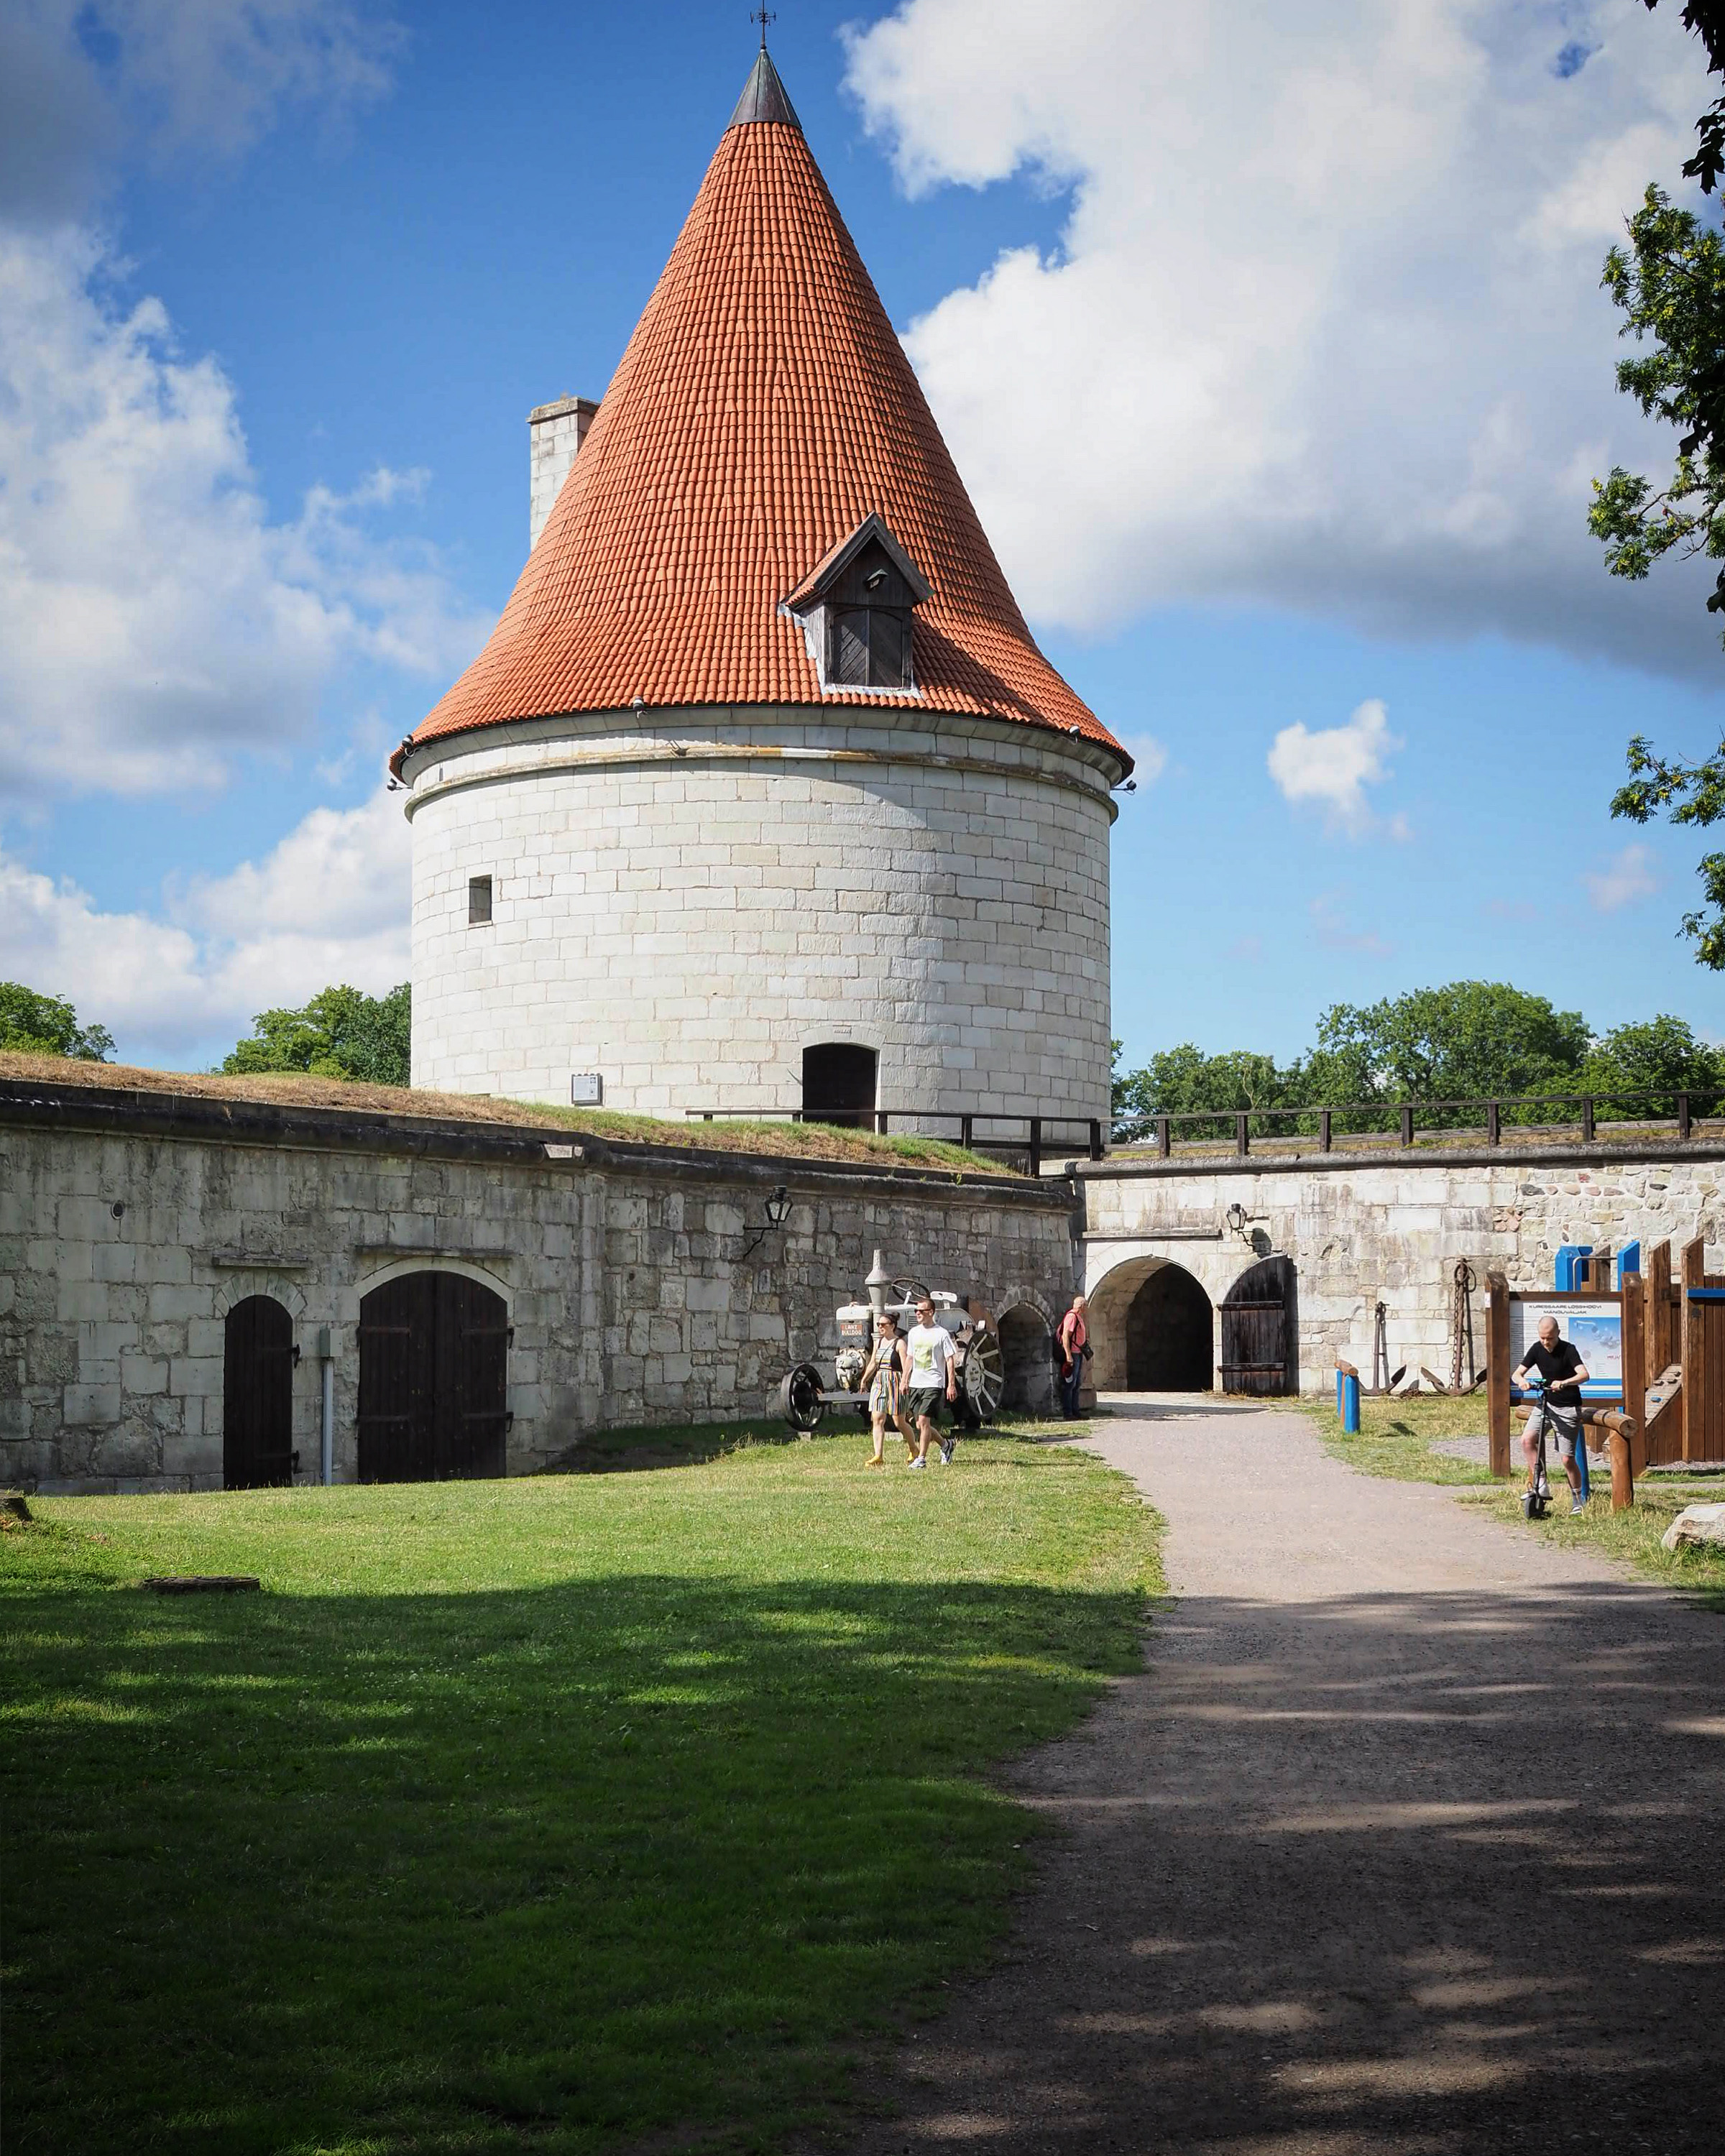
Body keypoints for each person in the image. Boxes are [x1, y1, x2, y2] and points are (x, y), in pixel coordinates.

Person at [1511, 1314, 1591, 1510]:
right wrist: (1522, 1382)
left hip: (1568, 1408)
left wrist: (1564, 1383)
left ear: (1558, 1334)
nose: (1546, 1342)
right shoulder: (1537, 1349)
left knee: (1567, 1459)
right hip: (1545, 1404)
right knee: (1527, 1440)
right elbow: (1517, 1373)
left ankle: (1577, 1500)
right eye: (1543, 1338)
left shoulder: (1569, 1350)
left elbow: (1584, 1375)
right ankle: (1541, 1483)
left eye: (1550, 1338)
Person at [903, 1295, 959, 1467]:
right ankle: (946, 1445)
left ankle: (921, 1459)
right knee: (920, 1425)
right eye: (916, 1311)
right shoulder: (913, 1333)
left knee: (925, 1420)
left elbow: (950, 1359)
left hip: (934, 1382)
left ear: (931, 1312)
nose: (918, 1313)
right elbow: (910, 1358)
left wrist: (951, 1385)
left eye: (921, 1311)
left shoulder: (941, 1334)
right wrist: (904, 1380)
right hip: (916, 1383)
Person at [859, 1312, 914, 1467]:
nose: (880, 1327)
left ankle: (913, 1448)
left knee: (899, 1422)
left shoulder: (900, 1344)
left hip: (895, 1380)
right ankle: (878, 1456)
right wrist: (864, 1379)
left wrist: (905, 1382)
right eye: (879, 1325)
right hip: (880, 1381)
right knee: (877, 1418)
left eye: (883, 1324)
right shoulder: (879, 1342)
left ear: (892, 1326)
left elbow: (906, 1365)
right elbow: (873, 1364)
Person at [1057, 1293, 1090, 1419]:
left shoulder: (1078, 1316)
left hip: (1079, 1353)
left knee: (1076, 1384)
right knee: (1070, 1384)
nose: (1087, 1309)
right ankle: (1068, 1412)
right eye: (1086, 1306)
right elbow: (1066, 1336)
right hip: (1073, 1354)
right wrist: (1068, 1355)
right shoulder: (1072, 1317)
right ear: (1082, 1306)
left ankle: (1076, 1411)